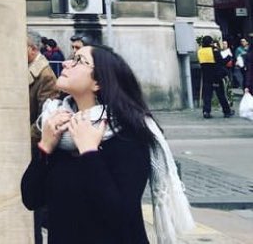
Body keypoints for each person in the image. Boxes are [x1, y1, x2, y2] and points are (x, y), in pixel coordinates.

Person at [21, 44, 194, 244]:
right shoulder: (60, 129)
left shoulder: (129, 134)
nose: (67, 63)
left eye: (78, 61)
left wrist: (89, 152)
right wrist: (45, 147)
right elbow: (31, 198)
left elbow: (120, 216)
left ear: (98, 83)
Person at [26, 30, 59, 244]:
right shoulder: (28, 69)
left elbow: (45, 119)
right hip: (30, 147)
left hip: (34, 149)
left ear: (33, 49)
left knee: (36, 209)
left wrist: (22, 137)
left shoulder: (45, 75)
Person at [197, 35, 232, 119]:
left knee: (207, 95)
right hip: (216, 76)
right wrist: (229, 56)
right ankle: (226, 111)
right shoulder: (214, 50)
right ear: (210, 42)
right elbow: (221, 62)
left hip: (206, 76)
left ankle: (206, 111)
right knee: (221, 94)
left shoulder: (200, 51)